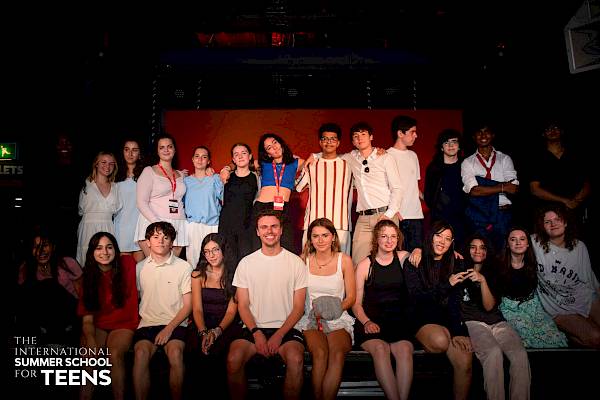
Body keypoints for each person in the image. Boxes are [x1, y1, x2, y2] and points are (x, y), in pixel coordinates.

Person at [227, 210, 308, 400]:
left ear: (281, 230)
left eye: (274, 226)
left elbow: (299, 307)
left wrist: (279, 335)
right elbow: (243, 305)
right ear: (257, 231)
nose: (269, 231)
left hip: (286, 329)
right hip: (254, 327)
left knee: (296, 359)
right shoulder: (246, 263)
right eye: (264, 227)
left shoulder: (296, 263)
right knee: (233, 358)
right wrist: (257, 333)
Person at [404, 220, 473, 400]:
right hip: (421, 317)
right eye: (439, 235)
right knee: (441, 341)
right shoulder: (414, 261)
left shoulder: (457, 262)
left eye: (448, 238)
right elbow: (417, 298)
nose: (442, 241)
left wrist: (458, 331)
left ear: (452, 243)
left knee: (465, 360)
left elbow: (456, 301)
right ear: (430, 236)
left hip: (447, 319)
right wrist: (447, 285)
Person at [461, 233, 530, 400]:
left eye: (482, 247)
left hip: (497, 322)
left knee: (520, 355)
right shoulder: (458, 268)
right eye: (473, 247)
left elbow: (489, 306)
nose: (477, 251)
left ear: (487, 251)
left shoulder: (494, 272)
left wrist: (483, 281)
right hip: (473, 322)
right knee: (493, 353)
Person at [352, 220, 414, 400]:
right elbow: (356, 303)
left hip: (397, 322)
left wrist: (418, 250)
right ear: (376, 239)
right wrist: (366, 322)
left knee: (404, 349)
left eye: (393, 236)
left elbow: (427, 257)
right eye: (384, 236)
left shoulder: (403, 258)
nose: (389, 240)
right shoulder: (365, 265)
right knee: (380, 349)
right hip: (371, 322)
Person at [297, 218, 356, 400]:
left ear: (333, 237)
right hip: (311, 319)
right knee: (320, 353)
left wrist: (332, 311)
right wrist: (316, 315)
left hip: (338, 317)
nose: (320, 240)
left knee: (337, 354)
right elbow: (296, 297)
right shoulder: (303, 261)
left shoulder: (344, 260)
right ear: (310, 239)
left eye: (325, 235)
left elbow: (351, 298)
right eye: (315, 236)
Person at [133, 222, 192, 400]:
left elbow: (188, 305)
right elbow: (135, 300)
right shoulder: (139, 268)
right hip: (147, 323)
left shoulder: (184, 267)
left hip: (175, 324)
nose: (161, 241)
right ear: (148, 242)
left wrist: (169, 329)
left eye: (166, 238)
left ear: (172, 243)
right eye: (156, 237)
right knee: (140, 354)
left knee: (175, 353)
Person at [78, 232, 139, 400]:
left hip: (124, 323)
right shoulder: (88, 276)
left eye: (109, 247)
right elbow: (87, 319)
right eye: (99, 248)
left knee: (114, 354)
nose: (104, 252)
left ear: (115, 250)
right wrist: (90, 339)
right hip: (98, 324)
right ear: (92, 253)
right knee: (88, 355)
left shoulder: (127, 263)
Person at [532, 204, 600, 348]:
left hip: (585, 299)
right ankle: (568, 336)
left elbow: (590, 280)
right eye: (547, 221)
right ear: (542, 226)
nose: (553, 224)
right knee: (596, 337)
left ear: (566, 222)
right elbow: (514, 240)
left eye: (557, 219)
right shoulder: (535, 243)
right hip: (558, 308)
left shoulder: (579, 247)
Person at [497, 227, 568, 348]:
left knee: (555, 338)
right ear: (508, 244)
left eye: (522, 239)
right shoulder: (499, 265)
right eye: (513, 239)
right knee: (525, 335)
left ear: (528, 244)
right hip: (510, 309)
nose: (518, 243)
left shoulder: (535, 264)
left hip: (533, 306)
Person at [345, 122, 403, 266]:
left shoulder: (385, 157)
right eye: (355, 136)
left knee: (388, 261)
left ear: (371, 137)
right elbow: (330, 156)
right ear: (353, 141)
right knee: (358, 261)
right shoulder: (350, 158)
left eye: (363, 134)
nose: (360, 138)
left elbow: (397, 188)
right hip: (363, 218)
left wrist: (389, 214)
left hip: (384, 214)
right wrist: (314, 156)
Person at [16, 226, 83, 345]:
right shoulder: (26, 269)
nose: (41, 251)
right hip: (42, 319)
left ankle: (59, 335)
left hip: (69, 315)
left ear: (53, 247)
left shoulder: (67, 263)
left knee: (51, 286)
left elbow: (83, 296)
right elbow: (23, 302)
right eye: (36, 247)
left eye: (45, 245)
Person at [189, 233, 241, 382]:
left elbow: (231, 311)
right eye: (206, 252)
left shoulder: (235, 275)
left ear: (224, 250)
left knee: (220, 352)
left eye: (215, 250)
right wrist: (203, 332)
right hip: (201, 322)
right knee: (194, 350)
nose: (211, 255)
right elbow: (197, 309)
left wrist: (217, 331)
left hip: (226, 324)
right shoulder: (197, 275)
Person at [296, 123, 353, 255]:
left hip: (340, 224)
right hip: (313, 223)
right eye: (325, 139)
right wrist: (303, 163)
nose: (329, 142)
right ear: (320, 142)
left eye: (333, 139)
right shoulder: (311, 164)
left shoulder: (349, 165)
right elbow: (298, 187)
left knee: (340, 263)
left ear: (338, 143)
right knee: (309, 261)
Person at [461, 123, 519, 253]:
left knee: (503, 254)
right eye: (479, 132)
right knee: (480, 254)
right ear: (474, 137)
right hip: (479, 216)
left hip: (502, 215)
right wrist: (503, 187)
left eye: (486, 132)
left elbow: (513, 188)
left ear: (492, 135)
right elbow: (474, 191)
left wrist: (483, 186)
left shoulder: (504, 159)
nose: (483, 135)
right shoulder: (467, 162)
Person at [529, 120, 591, 236]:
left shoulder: (576, 154)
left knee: (575, 242)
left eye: (556, 128)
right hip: (547, 212)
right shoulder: (536, 157)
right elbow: (534, 189)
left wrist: (576, 201)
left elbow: (587, 184)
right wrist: (564, 201)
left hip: (573, 211)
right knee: (546, 244)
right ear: (543, 134)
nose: (552, 131)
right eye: (548, 129)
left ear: (562, 131)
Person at [135, 133, 188, 258]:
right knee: (155, 266)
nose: (166, 150)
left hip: (178, 224)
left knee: (173, 267)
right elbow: (141, 202)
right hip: (155, 225)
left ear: (174, 150)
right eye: (162, 147)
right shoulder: (149, 171)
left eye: (169, 146)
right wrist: (158, 225)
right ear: (157, 151)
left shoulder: (181, 174)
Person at [424, 129, 467, 248]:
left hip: (462, 219)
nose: (451, 145)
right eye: (446, 142)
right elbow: (429, 196)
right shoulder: (434, 168)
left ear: (459, 146)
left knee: (461, 251)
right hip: (440, 219)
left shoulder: (466, 165)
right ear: (441, 147)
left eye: (454, 142)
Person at [76, 151, 120, 265]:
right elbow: (81, 210)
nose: (107, 166)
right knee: (87, 260)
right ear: (96, 164)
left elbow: (118, 210)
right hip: (88, 227)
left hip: (108, 226)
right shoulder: (86, 186)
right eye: (103, 162)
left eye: (111, 163)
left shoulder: (116, 187)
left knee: (107, 259)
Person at [387, 115, 424, 252]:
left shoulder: (413, 156)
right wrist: (393, 211)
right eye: (412, 132)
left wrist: (430, 200)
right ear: (400, 133)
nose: (416, 135)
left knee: (416, 256)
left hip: (416, 216)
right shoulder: (387, 155)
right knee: (398, 256)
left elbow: (414, 186)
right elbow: (384, 188)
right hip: (398, 217)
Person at [184, 146, 223, 268]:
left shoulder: (214, 178)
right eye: (197, 156)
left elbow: (224, 198)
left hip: (212, 225)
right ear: (192, 159)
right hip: (193, 226)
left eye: (204, 157)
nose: (200, 159)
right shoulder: (185, 181)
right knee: (193, 261)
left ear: (208, 161)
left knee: (214, 261)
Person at [218, 143, 259, 261]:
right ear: (233, 159)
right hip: (227, 225)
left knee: (246, 260)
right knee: (228, 261)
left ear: (250, 156)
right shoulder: (226, 177)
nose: (240, 156)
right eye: (236, 154)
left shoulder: (256, 177)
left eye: (244, 153)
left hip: (247, 226)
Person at [114, 138, 145, 262]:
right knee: (124, 269)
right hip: (121, 227)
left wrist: (179, 174)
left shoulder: (146, 174)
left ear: (139, 154)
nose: (130, 154)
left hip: (139, 226)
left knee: (140, 270)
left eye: (134, 150)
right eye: (127, 150)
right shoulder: (115, 174)